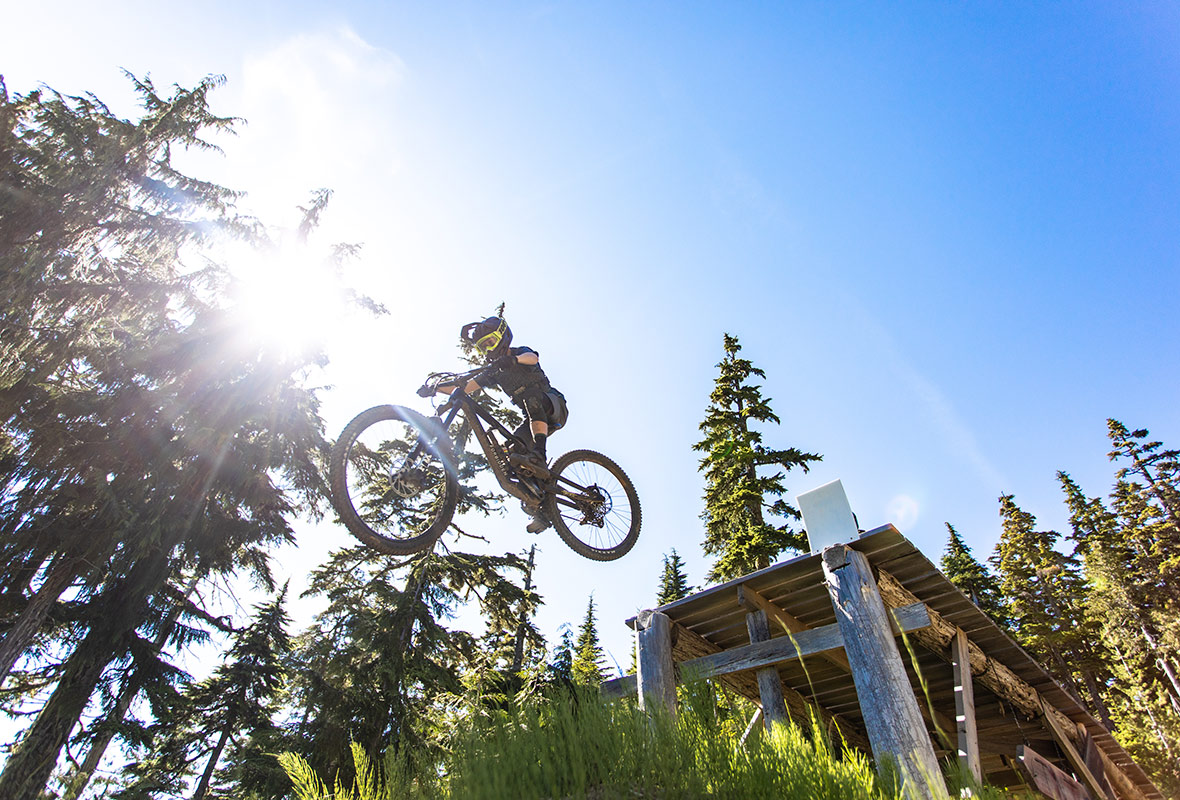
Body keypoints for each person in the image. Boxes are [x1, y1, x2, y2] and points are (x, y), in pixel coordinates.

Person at [437, 316, 568, 532]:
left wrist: (514, 360)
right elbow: (466, 387)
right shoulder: (494, 372)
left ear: (503, 337)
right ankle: (542, 507)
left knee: (531, 398)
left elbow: (532, 358)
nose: (488, 349)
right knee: (512, 454)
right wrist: (435, 389)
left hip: (552, 405)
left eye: (490, 342)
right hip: (534, 421)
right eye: (483, 347)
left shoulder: (518, 352)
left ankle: (540, 455)